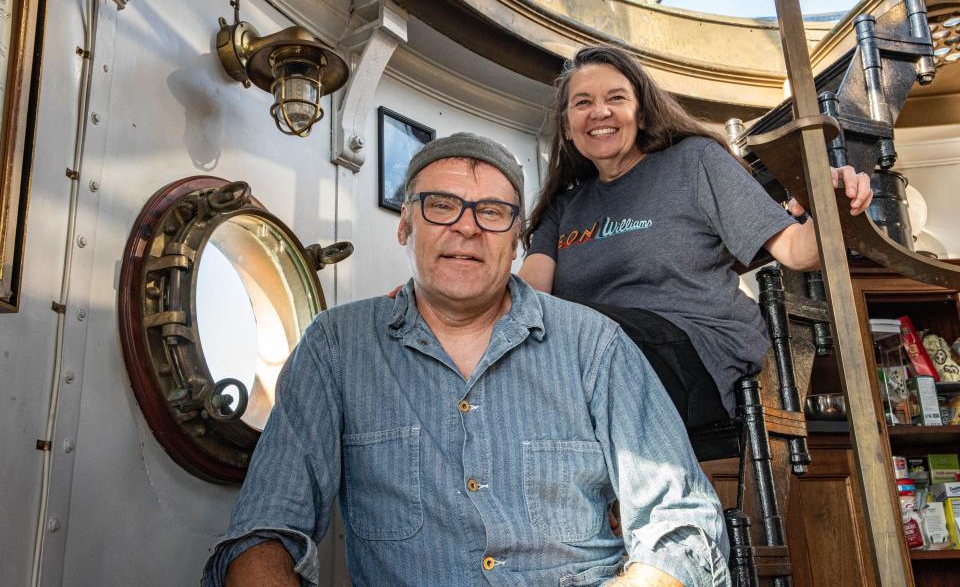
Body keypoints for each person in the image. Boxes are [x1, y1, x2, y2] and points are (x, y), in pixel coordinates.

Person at [202, 132, 730, 587]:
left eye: (493, 212)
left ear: (518, 239)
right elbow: (266, 528)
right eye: (440, 205)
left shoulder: (596, 345)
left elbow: (680, 520)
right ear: (405, 225)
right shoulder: (335, 348)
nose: (466, 227)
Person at [518, 45, 874, 430]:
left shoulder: (695, 161)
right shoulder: (565, 207)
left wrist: (830, 203)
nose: (599, 112)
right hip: (594, 359)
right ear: (568, 128)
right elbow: (526, 302)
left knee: (589, 335)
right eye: (582, 102)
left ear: (641, 112)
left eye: (616, 98)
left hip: (697, 351)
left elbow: (797, 251)